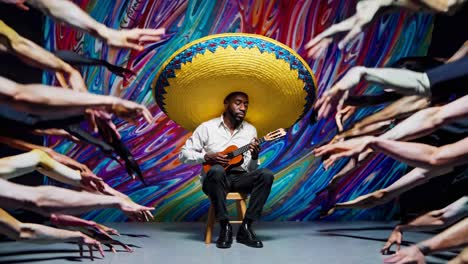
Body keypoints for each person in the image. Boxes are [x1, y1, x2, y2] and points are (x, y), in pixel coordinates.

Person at [180, 92, 274, 249]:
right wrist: (206, 157)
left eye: (246, 104)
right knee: (217, 170)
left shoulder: (250, 130)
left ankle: (246, 227)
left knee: (266, 174)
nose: (243, 107)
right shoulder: (207, 128)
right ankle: (225, 226)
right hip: (214, 181)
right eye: (238, 103)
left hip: (240, 179)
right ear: (226, 103)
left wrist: (255, 155)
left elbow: (251, 169)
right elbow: (183, 155)